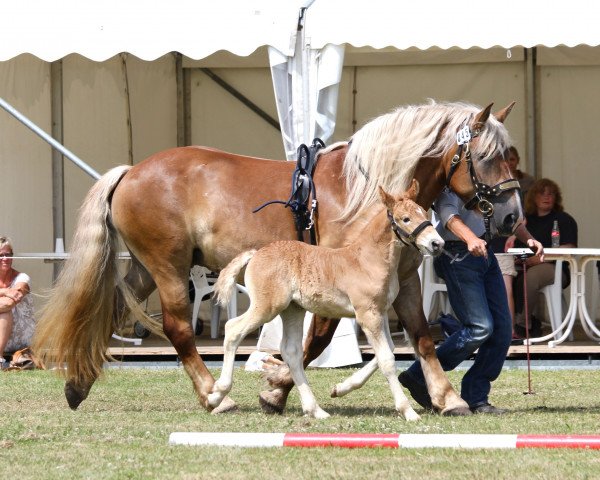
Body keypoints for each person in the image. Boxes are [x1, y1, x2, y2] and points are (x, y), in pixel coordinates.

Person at [398, 188, 543, 414]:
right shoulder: (451, 183)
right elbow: (448, 215)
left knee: (502, 331)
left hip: (485, 254)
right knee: (479, 328)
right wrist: (470, 237)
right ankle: (419, 374)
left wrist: (529, 239)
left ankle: (476, 397)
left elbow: (508, 217)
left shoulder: (486, 183)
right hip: (458, 255)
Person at [513, 179, 577, 338]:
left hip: (555, 268)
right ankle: (508, 323)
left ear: (556, 198)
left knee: (532, 276)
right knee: (503, 275)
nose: (547, 197)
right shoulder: (525, 221)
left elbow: (569, 248)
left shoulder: (563, 219)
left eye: (551, 193)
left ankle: (522, 325)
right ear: (533, 197)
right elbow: (513, 245)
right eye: (542, 193)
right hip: (523, 266)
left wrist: (538, 259)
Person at [0, 236, 35, 368]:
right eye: (1, 255)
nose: (5, 259)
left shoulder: (22, 278)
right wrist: (5, 292)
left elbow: (8, 304)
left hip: (18, 338)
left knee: (5, 311)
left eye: (8, 254)